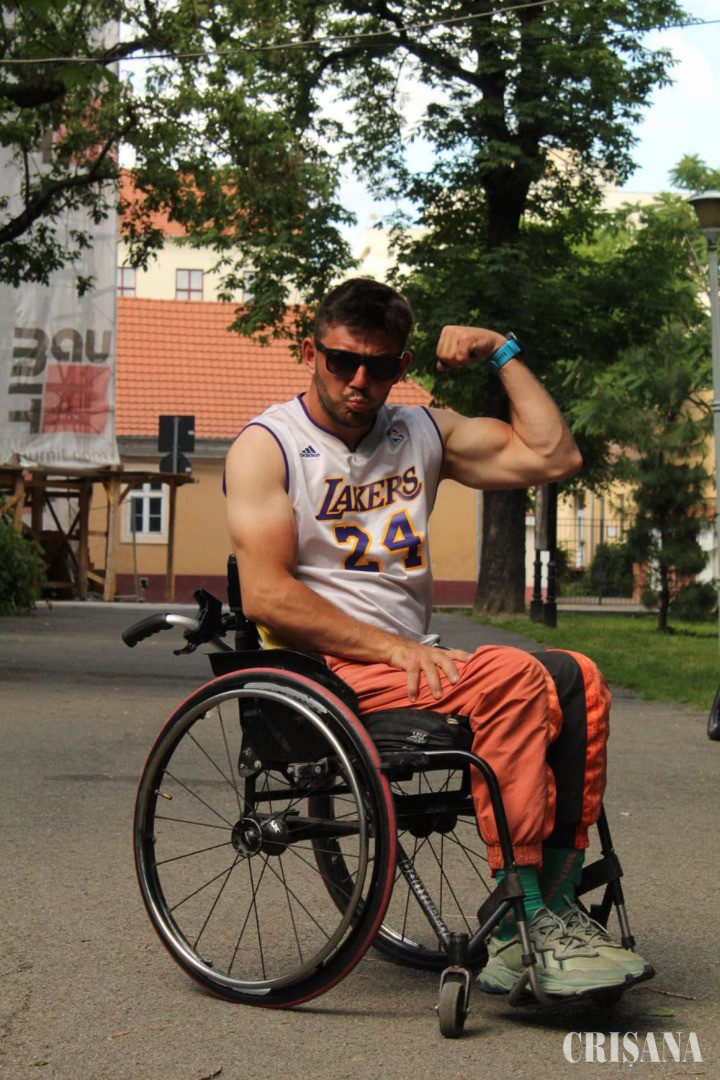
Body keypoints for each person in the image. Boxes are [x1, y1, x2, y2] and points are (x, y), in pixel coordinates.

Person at [225, 277, 653, 999]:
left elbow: (555, 457)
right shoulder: (269, 448)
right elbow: (267, 595)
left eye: (379, 366)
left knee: (577, 675)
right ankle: (522, 918)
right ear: (310, 352)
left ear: (402, 365)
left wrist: (501, 351)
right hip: (327, 671)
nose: (359, 381)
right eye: (342, 361)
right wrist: (394, 648)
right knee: (515, 677)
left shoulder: (420, 432)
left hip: (414, 664)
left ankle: (553, 907)